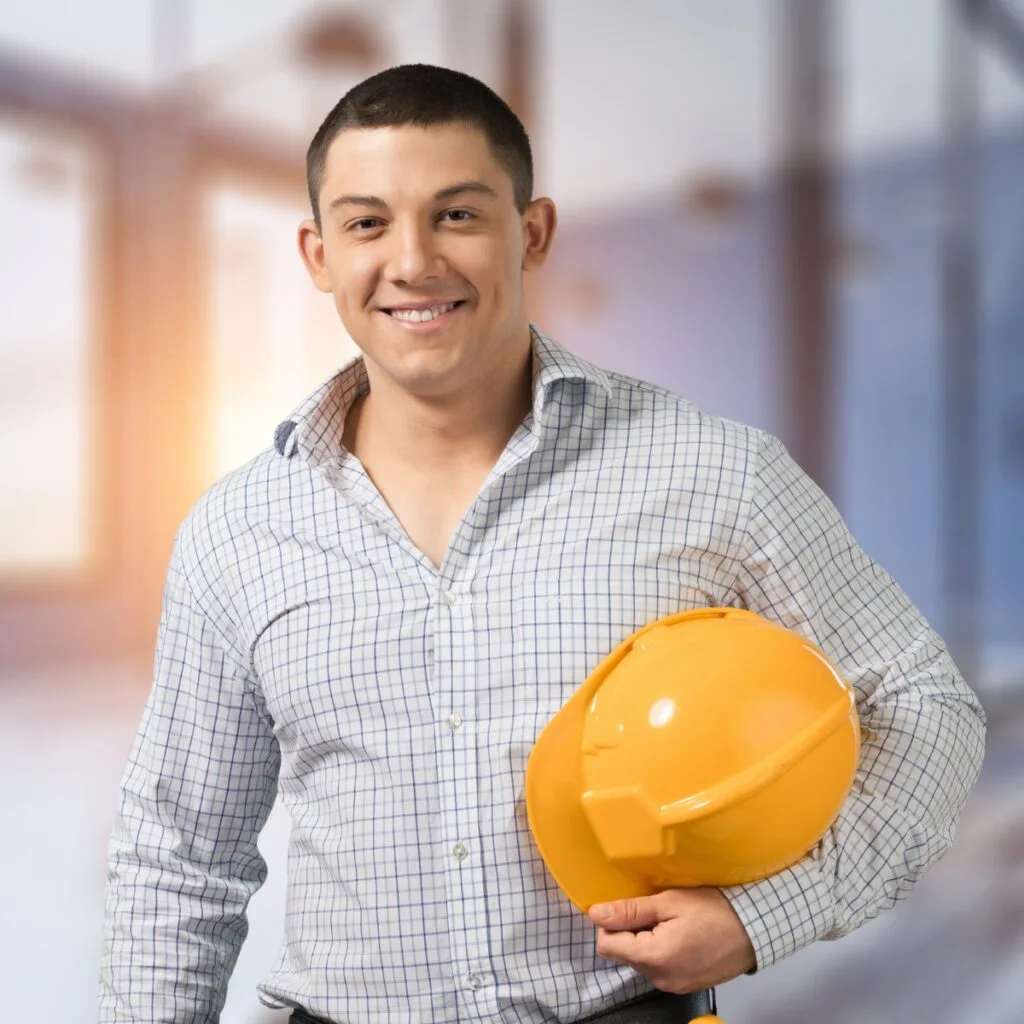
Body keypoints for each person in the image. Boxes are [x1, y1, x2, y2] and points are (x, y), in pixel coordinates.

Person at [99, 63, 986, 1024]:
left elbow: (926, 709)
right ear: (318, 255)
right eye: (367, 224)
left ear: (533, 232)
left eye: (457, 215)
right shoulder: (237, 532)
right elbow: (178, 857)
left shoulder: (712, 472)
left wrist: (764, 917)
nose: (412, 262)